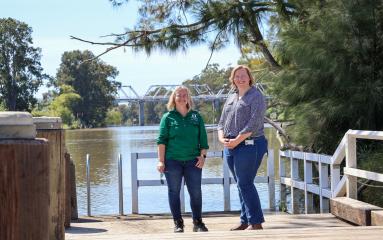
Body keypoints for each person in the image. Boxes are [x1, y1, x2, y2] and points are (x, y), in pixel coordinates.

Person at [217, 65, 268, 231]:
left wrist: (237, 140)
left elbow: (254, 122)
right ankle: (245, 220)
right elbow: (221, 122)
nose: (240, 78)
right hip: (230, 146)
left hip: (249, 144)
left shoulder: (256, 96)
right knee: (240, 183)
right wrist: (221, 138)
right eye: (237, 76)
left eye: (243, 75)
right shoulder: (231, 97)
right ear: (233, 79)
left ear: (249, 77)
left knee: (245, 183)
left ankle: (256, 223)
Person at [157, 85, 209, 233]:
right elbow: (161, 141)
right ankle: (178, 223)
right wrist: (161, 161)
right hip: (172, 161)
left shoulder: (196, 116)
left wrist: (203, 156)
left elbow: (204, 142)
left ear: (188, 98)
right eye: (178, 95)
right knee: (173, 191)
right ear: (174, 98)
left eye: (184, 95)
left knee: (196, 192)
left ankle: (198, 222)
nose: (181, 97)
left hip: (193, 161)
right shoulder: (167, 118)